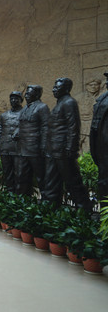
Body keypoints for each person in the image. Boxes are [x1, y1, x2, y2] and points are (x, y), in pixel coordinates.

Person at [45, 78, 93, 214]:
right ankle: (52, 210)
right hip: (54, 150)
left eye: (57, 87)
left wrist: (71, 148)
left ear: (66, 89)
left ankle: (84, 211)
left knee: (73, 181)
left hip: (63, 151)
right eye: (54, 87)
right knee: (52, 182)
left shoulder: (69, 102)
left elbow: (73, 127)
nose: (53, 89)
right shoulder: (60, 103)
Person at [14, 85, 50, 197]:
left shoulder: (42, 107)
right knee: (22, 176)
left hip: (35, 148)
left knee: (41, 177)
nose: (26, 95)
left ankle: (46, 200)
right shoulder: (25, 108)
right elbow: (22, 124)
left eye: (29, 93)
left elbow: (46, 127)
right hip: (23, 148)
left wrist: (43, 145)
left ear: (37, 95)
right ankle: (24, 200)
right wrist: (17, 131)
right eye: (26, 93)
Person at [0, 92, 24, 192]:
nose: (13, 101)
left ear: (21, 100)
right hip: (5, 147)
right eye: (12, 99)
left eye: (16, 99)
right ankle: (10, 192)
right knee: (7, 171)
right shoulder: (4, 115)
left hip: (18, 148)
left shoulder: (25, 113)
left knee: (19, 172)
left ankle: (19, 194)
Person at [91, 71, 108, 208]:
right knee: (103, 181)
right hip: (102, 147)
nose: (107, 82)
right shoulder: (102, 99)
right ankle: (104, 213)